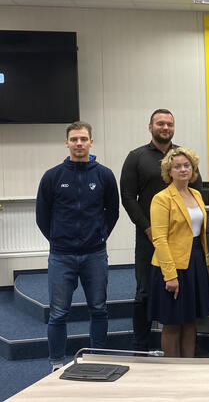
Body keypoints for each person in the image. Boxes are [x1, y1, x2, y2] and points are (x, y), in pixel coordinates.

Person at [36, 121, 119, 371]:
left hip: (95, 254)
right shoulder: (52, 176)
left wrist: (99, 237)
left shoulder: (104, 175)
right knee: (58, 313)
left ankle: (98, 358)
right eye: (74, 139)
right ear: (67, 143)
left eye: (83, 139)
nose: (79, 143)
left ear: (91, 142)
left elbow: (112, 212)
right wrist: (58, 240)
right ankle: (56, 364)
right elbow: (42, 216)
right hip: (61, 256)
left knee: (99, 309)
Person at [120, 108, 203, 352]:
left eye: (169, 124)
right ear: (150, 127)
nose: (165, 127)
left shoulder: (183, 156)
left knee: (184, 302)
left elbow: (197, 193)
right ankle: (141, 345)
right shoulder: (136, 157)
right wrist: (147, 227)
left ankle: (183, 351)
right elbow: (128, 197)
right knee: (145, 292)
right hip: (149, 237)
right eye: (160, 123)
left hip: (182, 241)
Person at [148, 147, 209, 357]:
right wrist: (170, 275)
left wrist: (205, 263)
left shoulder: (196, 194)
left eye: (187, 165)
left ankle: (188, 368)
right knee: (173, 323)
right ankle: (172, 370)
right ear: (169, 171)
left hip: (195, 261)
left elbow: (199, 233)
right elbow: (159, 239)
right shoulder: (162, 198)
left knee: (190, 321)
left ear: (193, 169)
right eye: (177, 167)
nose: (183, 169)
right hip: (172, 266)